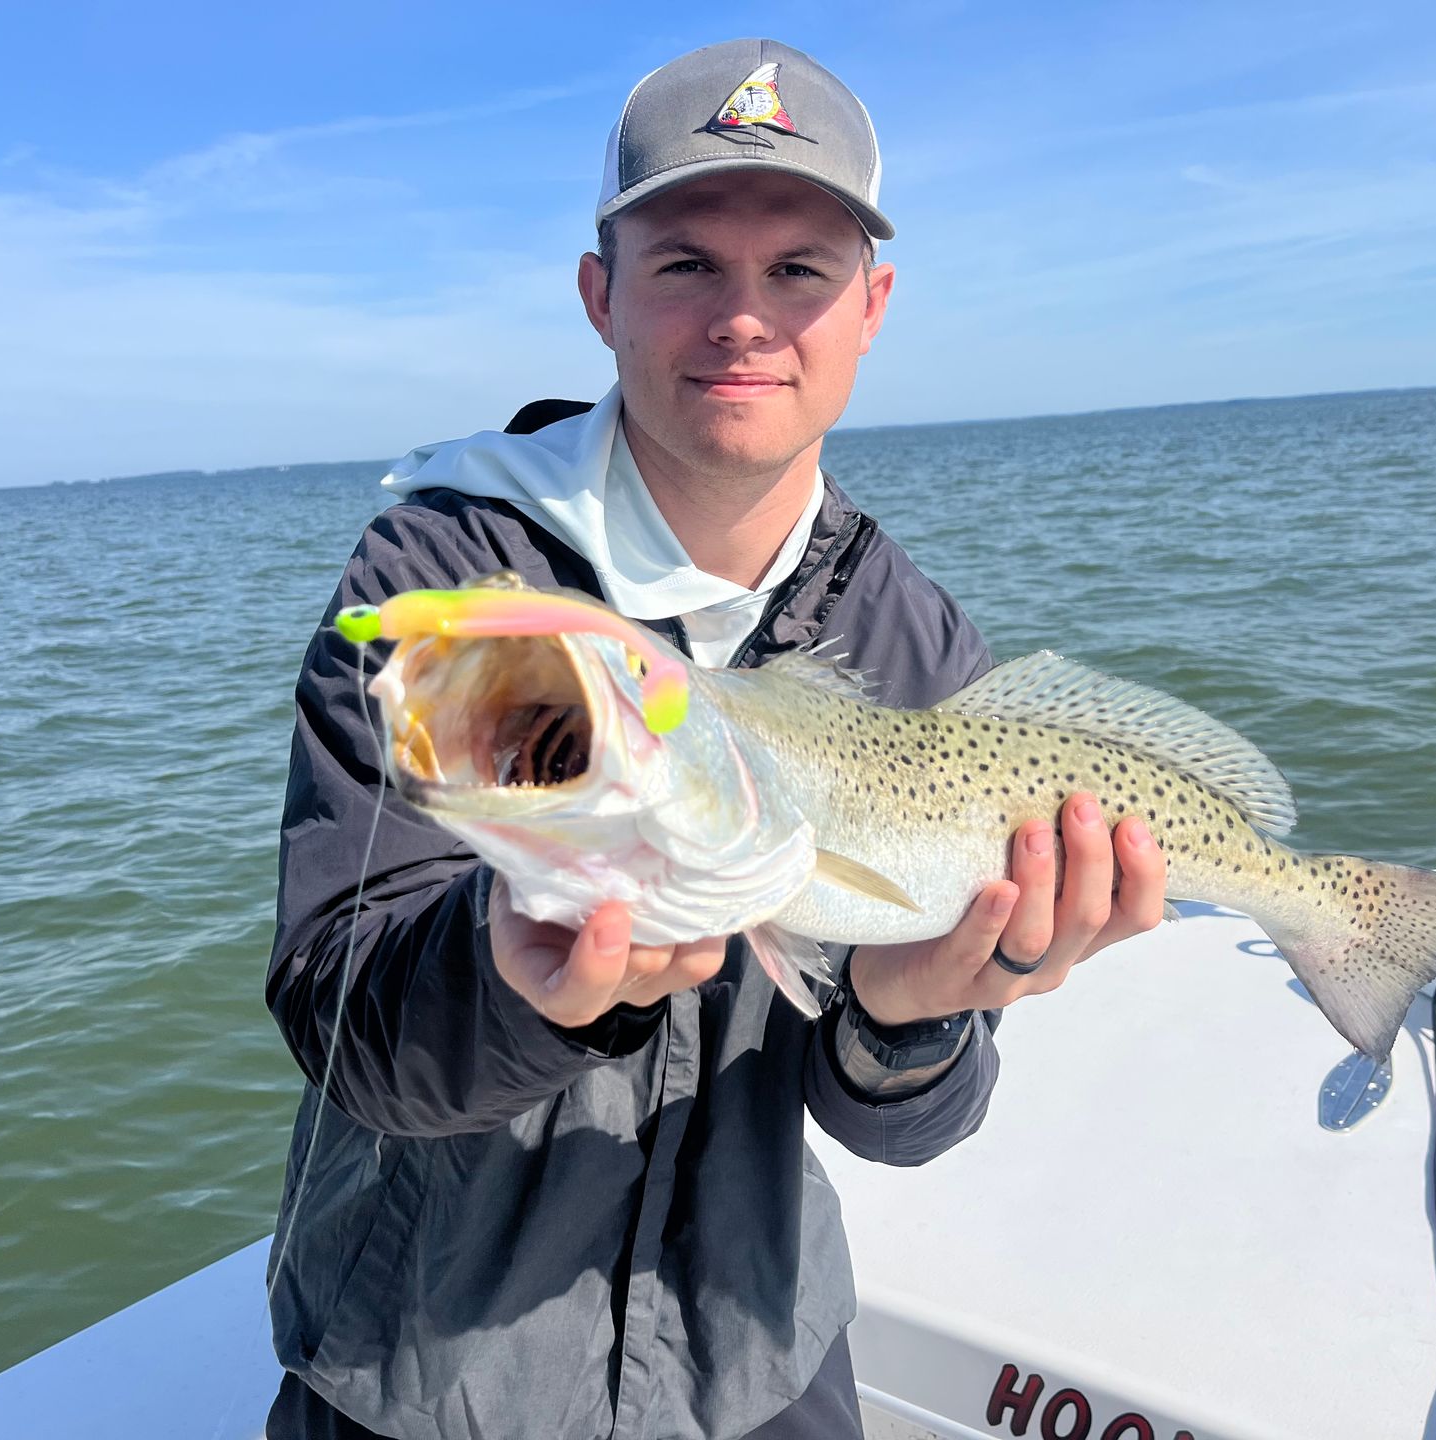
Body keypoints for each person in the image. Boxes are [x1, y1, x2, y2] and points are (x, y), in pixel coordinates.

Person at [263, 38, 1167, 1440]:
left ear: (871, 307)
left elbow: (901, 1124)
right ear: (599, 296)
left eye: (799, 270)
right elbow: (344, 1022)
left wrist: (913, 1011)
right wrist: (520, 985)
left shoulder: (917, 647)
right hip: (421, 1375)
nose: (742, 318)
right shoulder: (449, 597)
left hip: (753, 1359)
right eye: (685, 263)